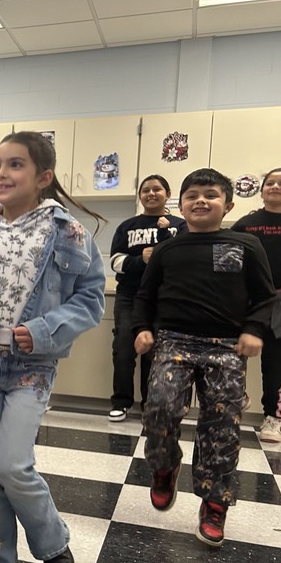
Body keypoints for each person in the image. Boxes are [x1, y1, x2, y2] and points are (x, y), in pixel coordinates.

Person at [0, 131, 105, 563]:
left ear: (44, 177)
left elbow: (91, 299)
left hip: (31, 366)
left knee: (12, 465)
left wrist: (43, 329)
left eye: (15, 165)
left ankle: (52, 540)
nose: (0, 174)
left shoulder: (68, 231)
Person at [135, 168, 276, 547]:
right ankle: (164, 466)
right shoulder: (167, 248)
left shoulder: (246, 245)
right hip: (174, 341)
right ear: (179, 205)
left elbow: (265, 297)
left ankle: (214, 502)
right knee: (160, 408)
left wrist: (254, 330)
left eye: (211, 195)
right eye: (192, 195)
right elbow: (145, 296)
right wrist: (141, 329)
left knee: (220, 426)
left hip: (227, 346)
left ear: (227, 204)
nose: (201, 200)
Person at [108, 175, 187, 422]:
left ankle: (150, 404)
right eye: (146, 190)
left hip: (163, 299)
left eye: (157, 189)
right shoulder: (127, 226)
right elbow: (115, 262)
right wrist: (139, 260)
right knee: (123, 348)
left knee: (154, 353)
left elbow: (186, 257)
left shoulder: (179, 225)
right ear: (140, 195)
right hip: (129, 296)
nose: (151, 194)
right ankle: (121, 402)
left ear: (167, 193)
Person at [231, 167, 281, 443]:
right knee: (232, 353)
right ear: (261, 191)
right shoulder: (246, 224)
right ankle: (237, 397)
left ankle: (274, 417)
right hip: (245, 300)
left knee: (278, 361)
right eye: (270, 183)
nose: (275, 187)